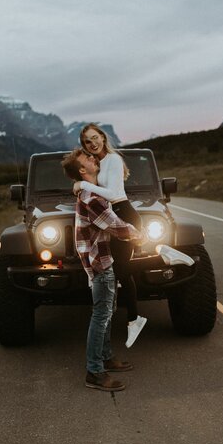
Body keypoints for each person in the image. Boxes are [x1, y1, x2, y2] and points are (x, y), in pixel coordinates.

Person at [61, 148, 144, 392]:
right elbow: (115, 225)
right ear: (82, 171)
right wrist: (140, 235)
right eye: (87, 158)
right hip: (100, 263)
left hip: (104, 260)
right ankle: (95, 371)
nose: (93, 157)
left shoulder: (93, 192)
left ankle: (106, 357)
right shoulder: (91, 197)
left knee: (107, 311)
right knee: (101, 315)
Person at [74, 123, 147, 349]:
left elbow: (114, 194)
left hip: (123, 213)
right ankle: (129, 319)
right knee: (116, 271)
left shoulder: (113, 160)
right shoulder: (97, 163)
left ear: (103, 138)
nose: (93, 143)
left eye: (96, 137)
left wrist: (83, 183)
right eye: (88, 141)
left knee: (122, 270)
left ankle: (134, 319)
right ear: (85, 145)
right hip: (111, 217)